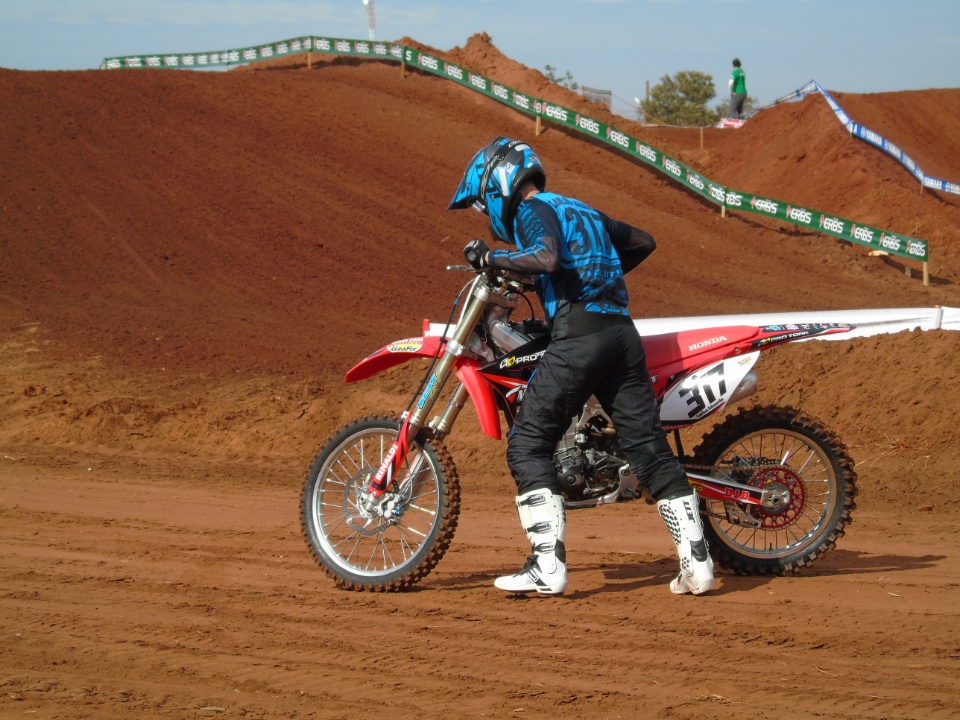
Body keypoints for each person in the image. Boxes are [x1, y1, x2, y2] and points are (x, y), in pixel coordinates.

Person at [448, 137, 714, 596]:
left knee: (528, 442)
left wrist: (490, 257)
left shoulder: (534, 211)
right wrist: (595, 272)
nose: (483, 212)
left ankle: (546, 566)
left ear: (497, 184)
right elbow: (642, 243)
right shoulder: (581, 209)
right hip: (622, 335)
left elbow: (547, 257)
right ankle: (699, 565)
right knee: (649, 450)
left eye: (480, 201)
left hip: (582, 334)